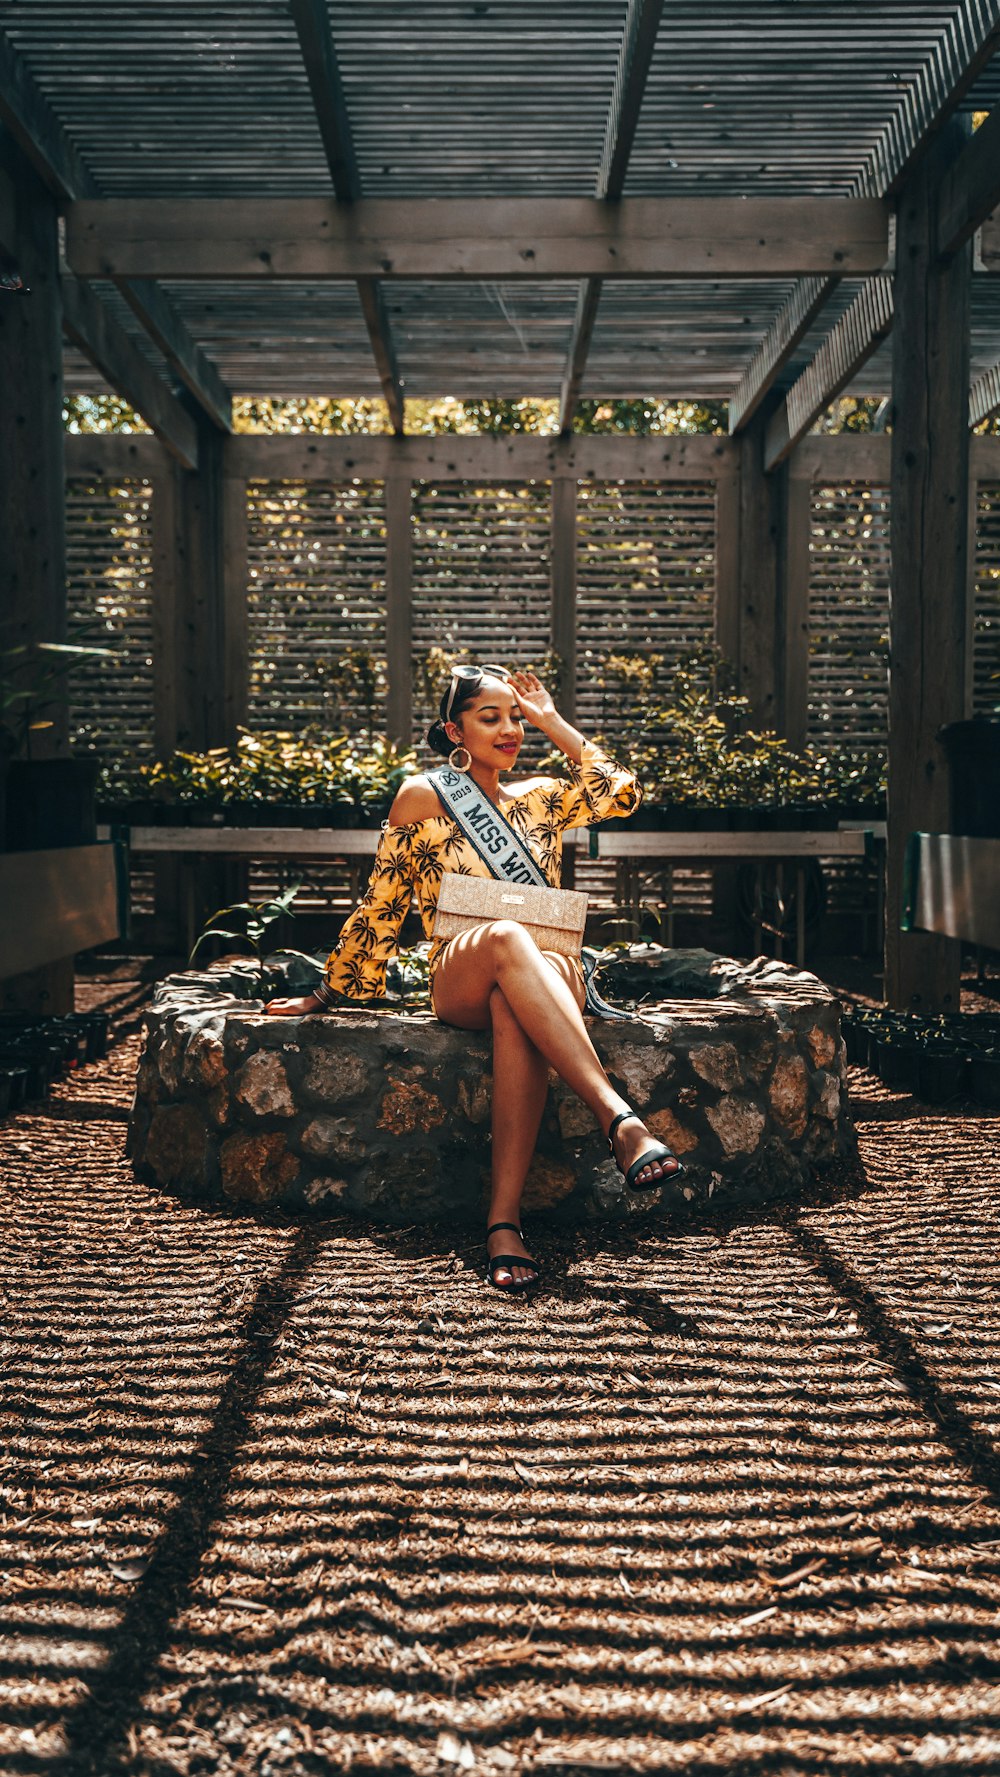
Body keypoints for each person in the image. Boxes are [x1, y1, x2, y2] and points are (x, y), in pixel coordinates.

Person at [265, 665, 680, 1290]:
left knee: (516, 1004)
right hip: (463, 969)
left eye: (516, 718)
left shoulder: (541, 797)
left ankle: (503, 1222)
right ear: (452, 729)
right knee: (508, 938)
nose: (510, 729)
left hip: (549, 971)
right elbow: (383, 904)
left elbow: (621, 790)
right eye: (492, 717)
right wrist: (326, 992)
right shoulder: (422, 797)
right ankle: (619, 1118)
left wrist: (551, 720)